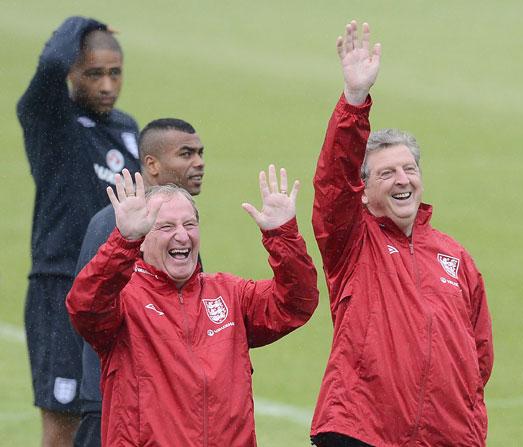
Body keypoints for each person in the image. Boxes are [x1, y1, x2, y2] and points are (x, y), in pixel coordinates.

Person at [310, 21, 493, 446]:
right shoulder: (352, 242)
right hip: (361, 430)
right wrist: (354, 101)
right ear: (364, 190)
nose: (402, 180)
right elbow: (334, 184)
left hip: (446, 435)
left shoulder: (454, 255)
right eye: (387, 173)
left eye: (409, 169)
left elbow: (479, 353)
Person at [66, 167, 319, 446]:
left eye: (189, 224)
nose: (182, 236)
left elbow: (297, 302)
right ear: (142, 238)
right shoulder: (125, 300)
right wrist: (123, 243)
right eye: (166, 227)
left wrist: (282, 235)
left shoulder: (230, 294)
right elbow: (85, 306)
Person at [16, 16, 140, 445]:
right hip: (62, 288)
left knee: (109, 419)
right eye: (93, 74)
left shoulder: (126, 129)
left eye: (114, 73)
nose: (107, 85)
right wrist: (86, 25)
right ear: (73, 73)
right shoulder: (51, 119)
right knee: (63, 429)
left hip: (117, 292)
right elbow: (50, 63)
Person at [73, 118, 205, 447]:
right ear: (152, 164)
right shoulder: (115, 226)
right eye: (186, 154)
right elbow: (89, 308)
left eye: (201, 153)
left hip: (159, 405)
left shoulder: (177, 224)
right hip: (114, 406)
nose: (199, 162)